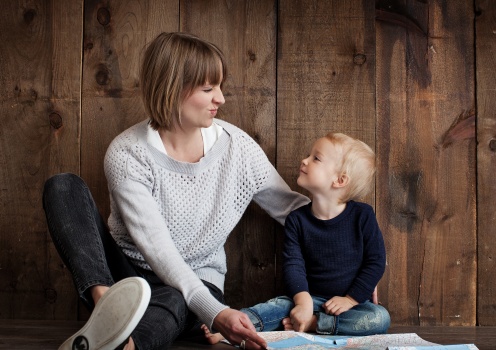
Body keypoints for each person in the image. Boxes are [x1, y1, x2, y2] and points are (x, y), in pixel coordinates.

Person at [42, 31, 309, 350]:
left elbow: (294, 211)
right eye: (209, 88)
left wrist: (357, 259)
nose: (220, 99)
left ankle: (123, 344)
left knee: (178, 297)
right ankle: (107, 310)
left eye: (220, 87)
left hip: (198, 286)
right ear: (172, 89)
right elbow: (158, 250)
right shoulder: (128, 153)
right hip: (127, 277)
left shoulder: (238, 149)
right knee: (62, 186)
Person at [204, 132, 390, 344]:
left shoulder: (362, 216)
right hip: (309, 298)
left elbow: (375, 261)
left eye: (316, 158)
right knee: (276, 307)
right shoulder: (297, 220)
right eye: (309, 155)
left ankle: (313, 324)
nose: (305, 160)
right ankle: (231, 327)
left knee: (379, 318)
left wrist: (350, 299)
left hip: (350, 305)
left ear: (340, 180)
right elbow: (294, 265)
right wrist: (303, 302)